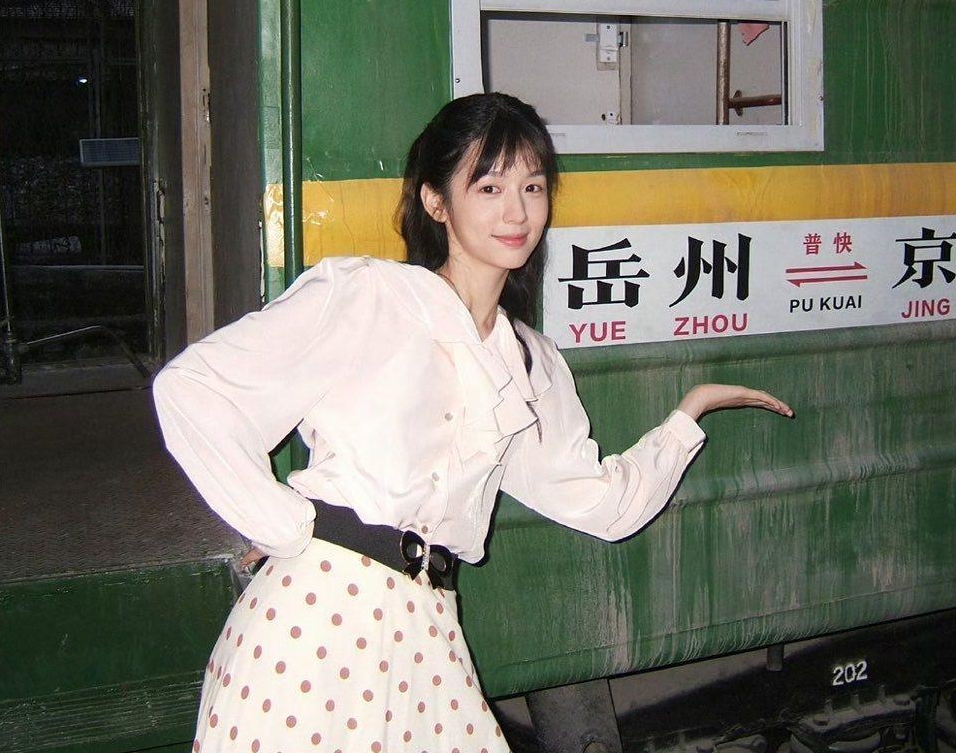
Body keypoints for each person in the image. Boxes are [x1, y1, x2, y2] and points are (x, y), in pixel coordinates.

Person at [153, 92, 793, 752]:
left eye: (532, 187)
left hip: (427, 637)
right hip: (314, 628)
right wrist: (289, 527)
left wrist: (689, 414)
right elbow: (193, 391)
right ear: (436, 202)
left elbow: (601, 505)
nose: (517, 212)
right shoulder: (369, 297)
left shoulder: (528, 362)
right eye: (489, 188)